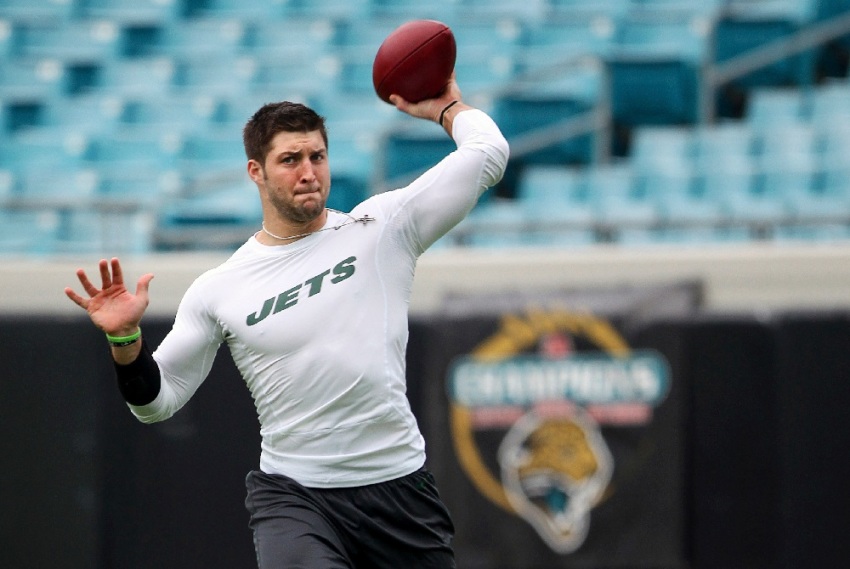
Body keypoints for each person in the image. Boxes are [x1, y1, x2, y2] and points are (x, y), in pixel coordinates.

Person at [64, 75, 509, 569]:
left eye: (318, 156)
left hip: (399, 490)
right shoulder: (220, 287)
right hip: (297, 496)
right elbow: (155, 403)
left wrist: (447, 108)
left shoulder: (382, 228)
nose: (309, 172)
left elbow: (488, 153)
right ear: (256, 171)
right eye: (290, 160)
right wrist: (125, 339)